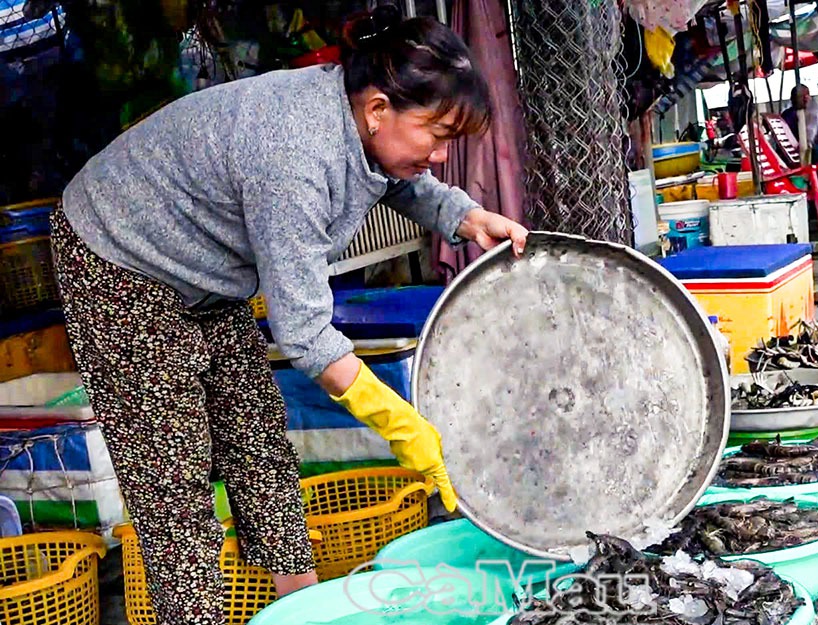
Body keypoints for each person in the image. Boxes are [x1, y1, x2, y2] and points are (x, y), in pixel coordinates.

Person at [49, 7, 528, 625]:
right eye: (436, 134)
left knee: (259, 442)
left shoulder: (356, 119)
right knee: (176, 479)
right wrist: (404, 425)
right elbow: (306, 336)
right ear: (379, 108)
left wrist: (465, 217)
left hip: (201, 265)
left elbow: (391, 173)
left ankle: (303, 611)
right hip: (115, 254)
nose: (439, 155)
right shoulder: (293, 157)